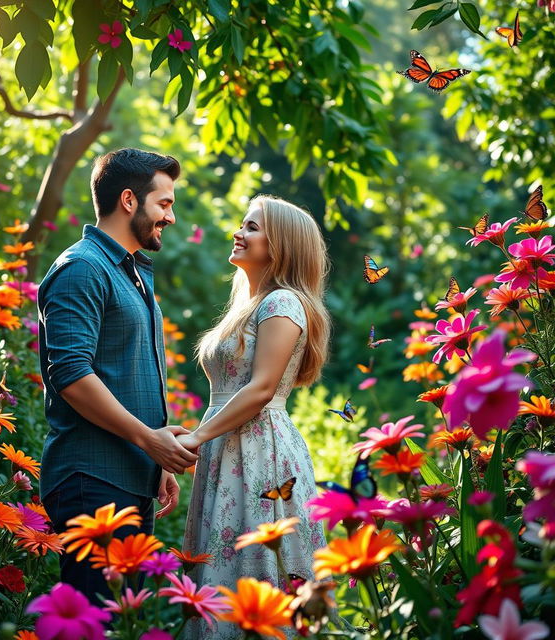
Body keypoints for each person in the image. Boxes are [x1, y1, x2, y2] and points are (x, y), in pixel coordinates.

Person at [37, 148, 198, 603]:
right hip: (92, 481)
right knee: (95, 625)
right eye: (163, 203)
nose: (170, 216)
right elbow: (70, 375)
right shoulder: (83, 268)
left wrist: (151, 455)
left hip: (128, 478)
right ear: (129, 200)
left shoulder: (131, 273)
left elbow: (123, 374)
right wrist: (148, 439)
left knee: (123, 625)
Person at [177, 195, 331, 639]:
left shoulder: (282, 303)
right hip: (230, 445)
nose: (238, 233)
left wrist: (197, 437)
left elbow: (262, 389)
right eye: (242, 224)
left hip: (260, 448)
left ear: (281, 244)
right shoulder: (252, 303)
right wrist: (201, 437)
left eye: (252, 227)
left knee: (258, 574)